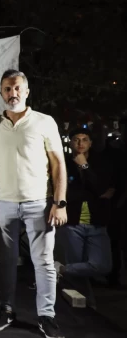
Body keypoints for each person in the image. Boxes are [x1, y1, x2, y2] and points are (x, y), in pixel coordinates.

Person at [0, 70, 67, 338]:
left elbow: (58, 165)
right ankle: (6, 310)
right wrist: (3, 185)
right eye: (7, 89)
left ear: (27, 91)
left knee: (43, 261)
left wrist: (59, 202)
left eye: (17, 88)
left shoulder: (44, 121)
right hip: (4, 203)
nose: (13, 93)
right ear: (1, 93)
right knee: (5, 260)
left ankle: (46, 316)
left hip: (39, 203)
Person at [57, 128, 113, 307]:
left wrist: (84, 166)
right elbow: (65, 192)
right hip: (72, 222)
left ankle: (58, 269)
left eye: (85, 139)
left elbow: (101, 187)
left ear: (90, 143)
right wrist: (93, 193)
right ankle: (86, 307)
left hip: (97, 222)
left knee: (102, 265)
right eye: (76, 139)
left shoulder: (101, 163)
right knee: (77, 273)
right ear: (70, 142)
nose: (80, 143)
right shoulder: (64, 163)